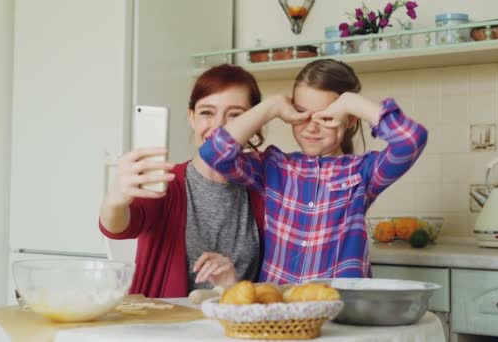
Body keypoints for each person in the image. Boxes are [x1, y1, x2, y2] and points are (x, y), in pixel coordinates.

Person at [200, 59, 428, 284]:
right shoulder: (273, 166)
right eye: (301, 114)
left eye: (326, 116)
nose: (311, 126)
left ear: (349, 120)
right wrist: (272, 107)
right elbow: (213, 153)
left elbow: (410, 140)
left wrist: (352, 103)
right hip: (280, 310)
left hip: (340, 310)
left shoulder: (363, 172)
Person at [99, 64, 266, 298]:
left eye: (235, 116)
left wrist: (232, 287)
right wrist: (115, 200)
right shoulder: (167, 182)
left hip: (234, 329)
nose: (218, 127)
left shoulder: (261, 191)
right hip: (163, 328)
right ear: (191, 117)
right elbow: (118, 227)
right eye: (207, 112)